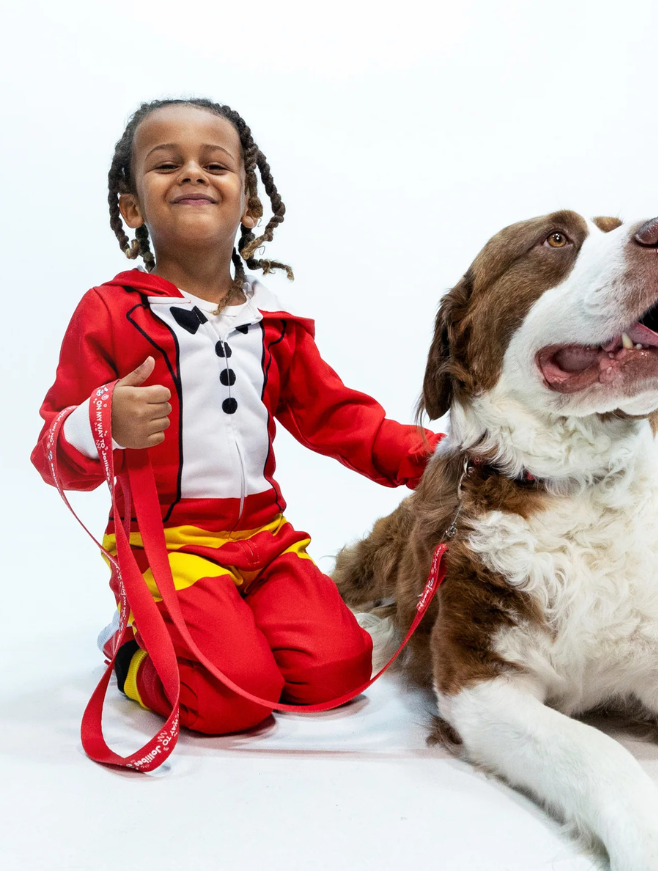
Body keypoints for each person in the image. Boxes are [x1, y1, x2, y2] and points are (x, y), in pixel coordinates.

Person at [32, 98, 443, 737]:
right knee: (230, 701)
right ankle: (132, 650)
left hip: (266, 542)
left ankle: (232, 623)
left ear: (249, 206)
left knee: (340, 672)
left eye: (215, 164)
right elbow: (52, 454)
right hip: (169, 547)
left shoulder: (271, 324)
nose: (193, 173)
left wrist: (438, 458)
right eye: (168, 164)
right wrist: (103, 420)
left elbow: (338, 417)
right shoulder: (111, 313)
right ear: (133, 207)